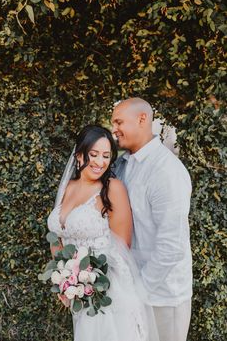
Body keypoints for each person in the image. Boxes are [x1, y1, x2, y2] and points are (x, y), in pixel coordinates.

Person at [47, 125, 159, 341]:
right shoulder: (67, 187)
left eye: (106, 156)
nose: (100, 162)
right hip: (78, 290)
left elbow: (122, 244)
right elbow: (57, 237)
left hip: (109, 287)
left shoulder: (112, 188)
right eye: (94, 154)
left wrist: (88, 278)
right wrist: (65, 280)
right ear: (79, 156)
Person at [112, 98, 192, 341]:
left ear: (142, 119)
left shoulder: (166, 171)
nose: (114, 129)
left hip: (163, 296)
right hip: (130, 290)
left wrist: (138, 291)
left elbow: (171, 246)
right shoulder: (121, 165)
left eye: (118, 122)